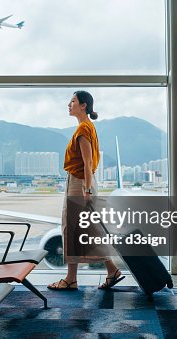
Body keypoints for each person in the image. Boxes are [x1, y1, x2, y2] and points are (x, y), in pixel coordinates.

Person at [47, 90, 124, 290]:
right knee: (87, 229)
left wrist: (87, 190)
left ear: (83, 105)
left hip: (80, 182)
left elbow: (88, 162)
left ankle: (72, 278)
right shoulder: (87, 127)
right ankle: (111, 269)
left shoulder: (83, 129)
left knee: (72, 229)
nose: (68, 105)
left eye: (72, 101)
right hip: (82, 182)